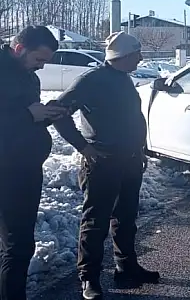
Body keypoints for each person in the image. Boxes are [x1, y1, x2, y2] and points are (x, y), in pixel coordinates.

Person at [53, 32, 159, 300]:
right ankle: (88, 278)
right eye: (137, 54)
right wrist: (83, 147)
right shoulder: (91, 80)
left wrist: (140, 150)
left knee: (126, 218)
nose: (141, 58)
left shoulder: (124, 79)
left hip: (130, 160)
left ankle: (126, 267)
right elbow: (59, 113)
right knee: (95, 221)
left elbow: (132, 119)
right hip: (101, 161)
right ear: (123, 57)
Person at [0, 26, 64, 300]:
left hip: (26, 169)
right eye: (38, 59)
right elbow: (18, 117)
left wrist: (46, 114)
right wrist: (28, 115)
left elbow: (26, 116)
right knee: (19, 246)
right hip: (8, 172)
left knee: (17, 244)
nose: (41, 67)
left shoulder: (27, 76)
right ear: (18, 49)